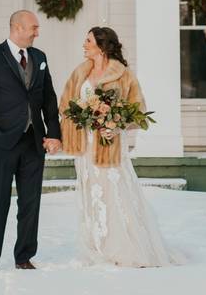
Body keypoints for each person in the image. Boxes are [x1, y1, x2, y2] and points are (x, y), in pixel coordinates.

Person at [58, 26, 178, 267]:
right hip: (84, 146)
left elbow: (139, 114)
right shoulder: (79, 73)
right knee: (90, 191)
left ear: (102, 47)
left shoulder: (123, 75)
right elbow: (65, 106)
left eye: (88, 41)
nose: (84, 44)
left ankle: (122, 246)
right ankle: (97, 245)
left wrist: (115, 125)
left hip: (110, 144)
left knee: (114, 192)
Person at [0, 10, 62, 273]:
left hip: (34, 141)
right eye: (33, 27)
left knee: (30, 202)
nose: (37, 32)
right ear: (17, 27)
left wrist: (53, 133)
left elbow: (48, 99)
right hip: (1, 142)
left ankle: (23, 256)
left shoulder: (39, 57)